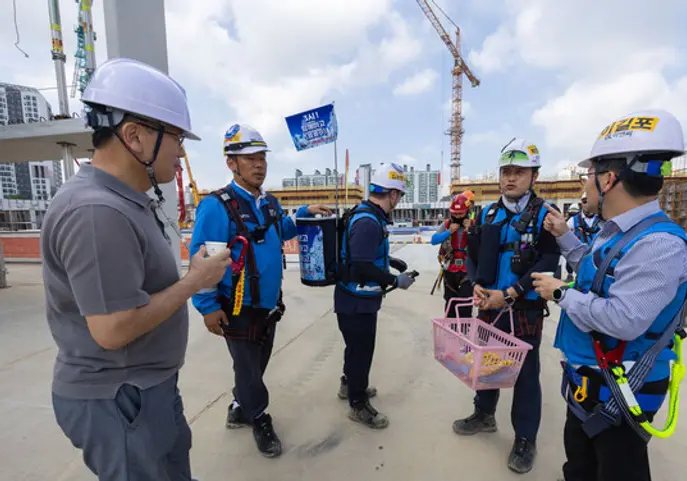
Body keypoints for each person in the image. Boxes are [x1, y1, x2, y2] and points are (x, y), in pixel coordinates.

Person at [40, 57, 232, 481]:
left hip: (143, 391)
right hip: (119, 400)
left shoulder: (124, 200)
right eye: (176, 138)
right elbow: (113, 329)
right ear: (135, 137)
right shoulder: (96, 212)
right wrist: (194, 283)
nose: (181, 153)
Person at [532, 109, 687, 481]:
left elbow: (625, 319)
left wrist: (560, 293)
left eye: (588, 177)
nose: (585, 187)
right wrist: (564, 235)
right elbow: (597, 274)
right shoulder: (618, 232)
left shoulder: (659, 244)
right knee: (579, 466)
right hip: (592, 383)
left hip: (623, 391)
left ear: (609, 179)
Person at [190, 124, 331, 458]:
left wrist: (302, 214)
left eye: (262, 156)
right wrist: (208, 305)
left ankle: (240, 407)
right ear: (231, 164)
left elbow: (278, 230)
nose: (258, 164)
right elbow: (204, 261)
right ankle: (259, 417)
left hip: (268, 306)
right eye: (249, 157)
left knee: (257, 364)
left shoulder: (268, 202)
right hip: (236, 307)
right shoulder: (217, 206)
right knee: (249, 369)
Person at [454, 138, 561, 474]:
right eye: (506, 171)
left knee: (525, 376)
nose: (511, 178)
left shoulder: (545, 215)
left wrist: (512, 292)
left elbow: (549, 260)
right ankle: (484, 414)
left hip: (523, 308)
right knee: (485, 365)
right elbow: (472, 256)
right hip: (489, 305)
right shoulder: (488, 213)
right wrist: (476, 286)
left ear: (534, 176)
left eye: (519, 172)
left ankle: (525, 438)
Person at [335, 162, 416, 429]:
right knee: (361, 352)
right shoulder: (369, 221)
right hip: (357, 303)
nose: (398, 201)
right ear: (392, 194)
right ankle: (358, 404)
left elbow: (361, 253)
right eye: (399, 196)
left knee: (354, 348)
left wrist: (390, 261)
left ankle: (349, 385)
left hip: (352, 299)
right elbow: (360, 264)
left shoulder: (365, 214)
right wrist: (395, 280)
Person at [432, 193, 474, 317]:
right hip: (450, 270)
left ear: (467, 212)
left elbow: (483, 243)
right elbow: (434, 240)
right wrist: (449, 232)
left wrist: (471, 231)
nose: (457, 216)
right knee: (450, 304)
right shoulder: (446, 225)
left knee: (465, 305)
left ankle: (464, 333)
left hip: (467, 271)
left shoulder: (474, 224)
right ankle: (451, 333)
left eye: (460, 214)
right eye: (455, 214)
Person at [563, 193, 600, 282]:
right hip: (580, 254)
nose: (587, 204)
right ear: (581, 204)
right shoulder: (573, 220)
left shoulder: (600, 220)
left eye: (589, 201)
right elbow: (565, 236)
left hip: (596, 254)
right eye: (584, 201)